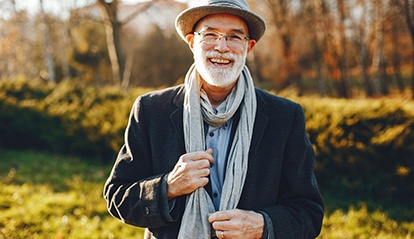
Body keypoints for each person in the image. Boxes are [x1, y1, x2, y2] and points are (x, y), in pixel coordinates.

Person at [103, 0, 324, 238]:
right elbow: (118, 197)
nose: (221, 47)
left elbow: (308, 212)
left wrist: (261, 225)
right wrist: (168, 186)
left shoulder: (284, 117)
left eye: (234, 37)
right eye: (210, 34)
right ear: (192, 42)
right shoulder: (151, 110)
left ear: (248, 47)